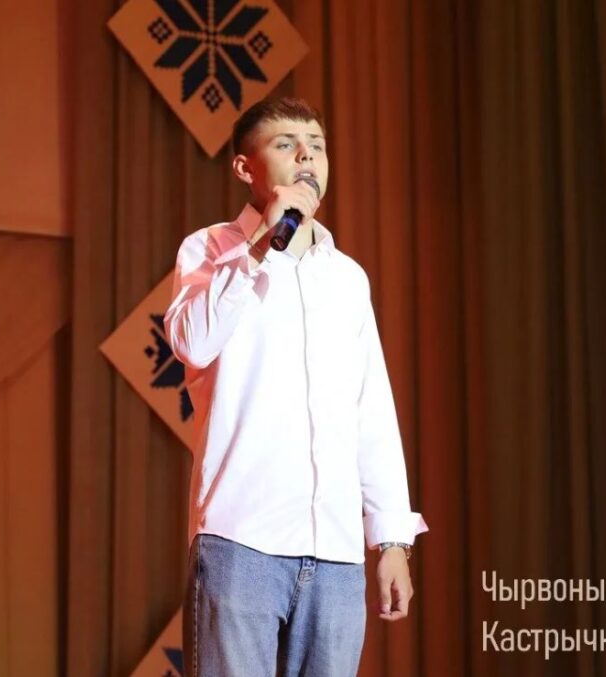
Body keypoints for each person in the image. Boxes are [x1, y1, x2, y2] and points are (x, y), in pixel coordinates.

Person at [164, 96, 428, 677]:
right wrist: (261, 244)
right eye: (286, 144)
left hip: (335, 553)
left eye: (317, 146)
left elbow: (372, 412)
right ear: (245, 167)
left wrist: (391, 541)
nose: (307, 155)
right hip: (241, 541)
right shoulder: (210, 250)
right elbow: (192, 343)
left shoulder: (347, 278)